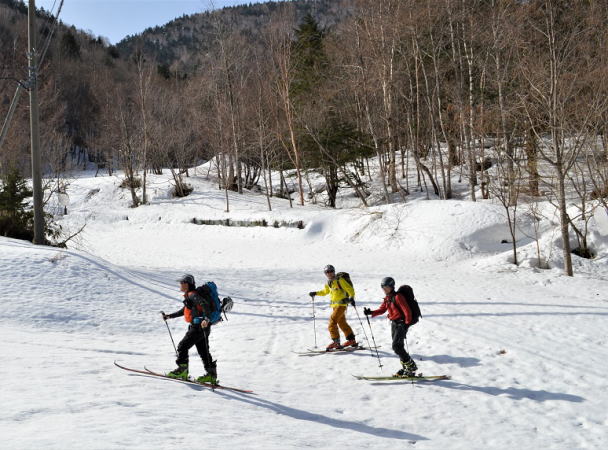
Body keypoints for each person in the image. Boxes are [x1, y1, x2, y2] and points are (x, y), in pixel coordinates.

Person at [161, 274, 218, 383]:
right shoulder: (191, 296)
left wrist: (205, 319)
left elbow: (204, 304)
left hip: (198, 327)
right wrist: (169, 316)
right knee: (203, 351)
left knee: (182, 346)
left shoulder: (193, 295)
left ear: (186, 284)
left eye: (181, 283)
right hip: (203, 327)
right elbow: (185, 311)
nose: (180, 285)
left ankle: (182, 370)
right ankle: (211, 375)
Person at [364, 276, 418, 377]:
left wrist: (405, 324)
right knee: (398, 346)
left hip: (401, 323)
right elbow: (382, 309)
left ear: (392, 286)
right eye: (382, 287)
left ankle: (411, 367)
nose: (384, 289)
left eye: (386, 287)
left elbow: (407, 311)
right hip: (394, 323)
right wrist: (370, 312)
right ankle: (405, 367)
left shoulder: (398, 297)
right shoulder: (387, 298)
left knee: (396, 346)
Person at [309, 264, 357, 350]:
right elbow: (325, 292)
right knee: (342, 323)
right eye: (327, 272)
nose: (330, 273)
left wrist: (352, 298)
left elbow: (350, 289)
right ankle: (351, 340)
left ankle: (336, 342)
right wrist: (315, 293)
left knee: (332, 322)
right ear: (325, 273)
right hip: (335, 306)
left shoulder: (340, 280)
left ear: (334, 271)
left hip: (341, 305)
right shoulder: (329, 282)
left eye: (331, 271)